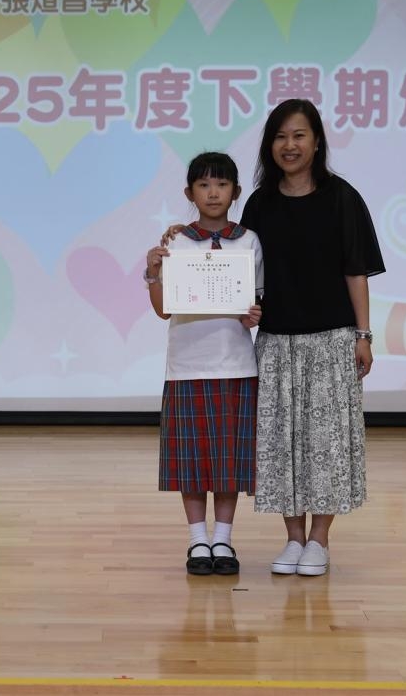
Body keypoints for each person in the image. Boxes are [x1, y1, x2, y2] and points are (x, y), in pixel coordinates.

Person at [241, 98, 385, 577]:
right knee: (281, 444)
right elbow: (246, 271)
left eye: (299, 135)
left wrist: (363, 335)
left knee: (327, 445)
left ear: (317, 141)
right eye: (280, 136)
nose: (290, 145)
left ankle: (319, 540)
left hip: (331, 339)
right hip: (276, 342)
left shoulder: (342, 197)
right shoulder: (259, 203)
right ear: (270, 145)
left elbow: (356, 272)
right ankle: (292, 539)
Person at [144, 151, 264, 576]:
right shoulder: (176, 243)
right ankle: (198, 539)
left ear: (236, 191)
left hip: (236, 364)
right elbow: (163, 310)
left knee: (228, 462)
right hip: (187, 366)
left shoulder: (248, 241)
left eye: (222, 184)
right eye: (204, 185)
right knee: (192, 461)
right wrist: (153, 272)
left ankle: (223, 539)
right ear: (189, 193)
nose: (213, 193)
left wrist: (254, 314)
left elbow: (256, 300)